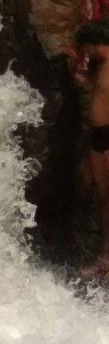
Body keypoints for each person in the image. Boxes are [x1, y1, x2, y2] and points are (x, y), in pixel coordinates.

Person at [68, 18, 109, 276]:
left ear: (98, 45)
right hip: (98, 135)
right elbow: (98, 93)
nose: (85, 53)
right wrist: (81, 79)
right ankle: (106, 253)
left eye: (86, 47)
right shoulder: (100, 65)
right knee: (102, 195)